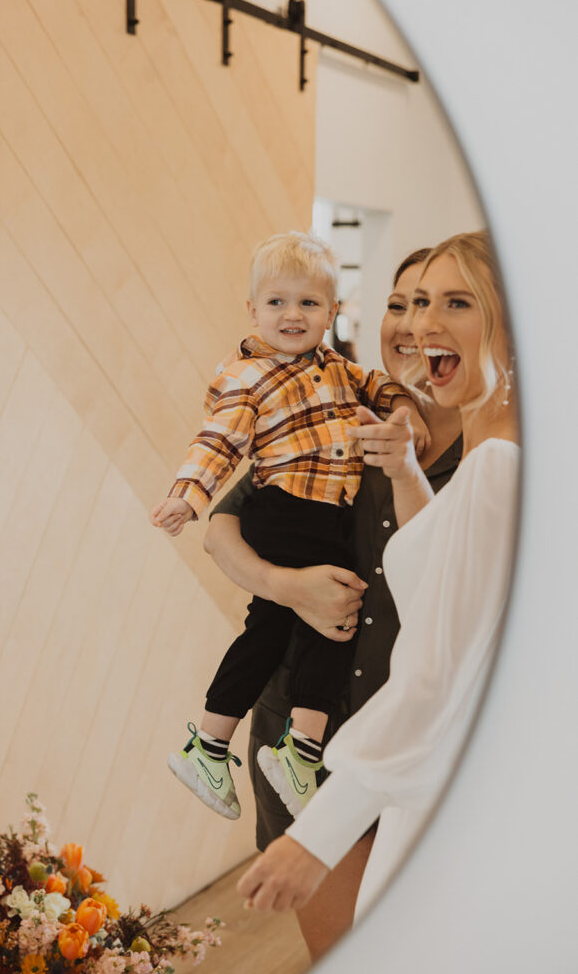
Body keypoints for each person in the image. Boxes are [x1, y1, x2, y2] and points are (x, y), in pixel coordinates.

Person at [234, 231, 519, 930]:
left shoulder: (496, 467)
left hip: (421, 774)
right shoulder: (485, 457)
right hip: (371, 753)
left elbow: (434, 672)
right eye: (415, 302)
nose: (420, 324)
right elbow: (442, 571)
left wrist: (315, 838)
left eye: (455, 302)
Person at [204, 246, 463, 955]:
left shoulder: (495, 449)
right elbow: (222, 525)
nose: (414, 325)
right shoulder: (323, 400)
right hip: (305, 724)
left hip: (421, 740)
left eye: (448, 303)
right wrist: (286, 586)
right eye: (400, 304)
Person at [149, 231, 427, 822]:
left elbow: (376, 385)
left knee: (272, 632)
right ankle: (298, 750)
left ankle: (214, 743)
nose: (291, 315)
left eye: (308, 303)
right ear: (252, 310)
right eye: (276, 302)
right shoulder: (251, 376)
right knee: (337, 614)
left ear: (331, 311)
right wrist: (187, 496)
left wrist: (402, 406)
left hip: (315, 516)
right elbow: (218, 440)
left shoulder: (333, 366)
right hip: (288, 513)